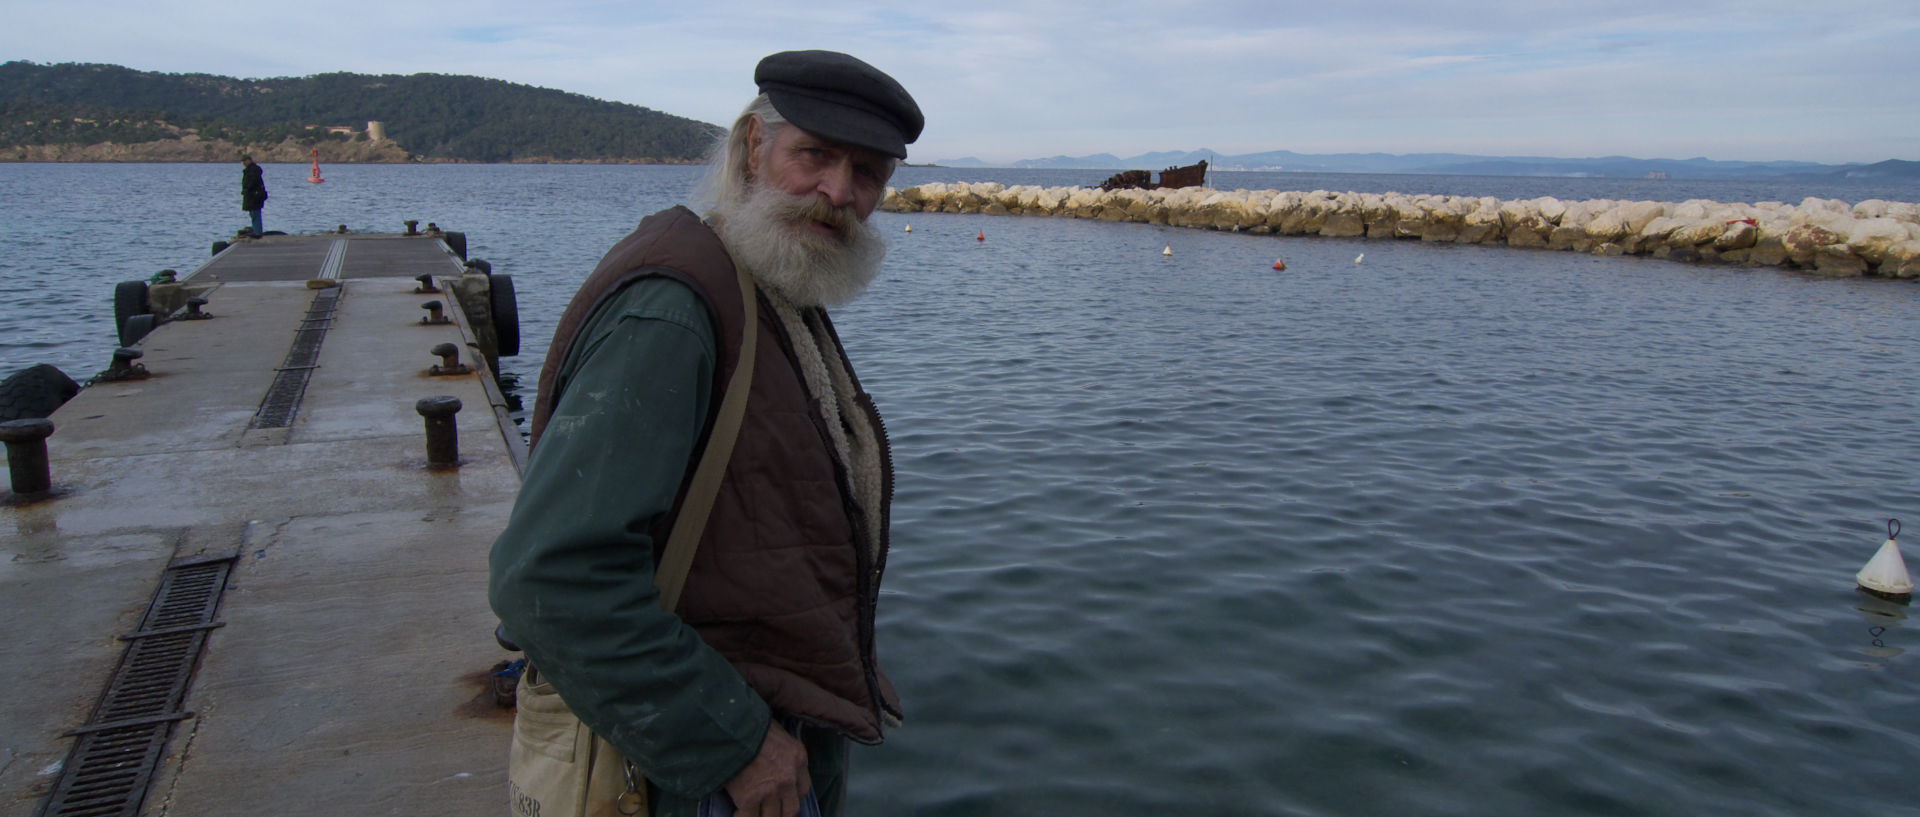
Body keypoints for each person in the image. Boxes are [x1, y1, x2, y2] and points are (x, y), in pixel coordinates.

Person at [489, 50, 923, 817]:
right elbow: (551, 574)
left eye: (868, 173)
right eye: (815, 155)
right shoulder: (673, 310)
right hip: (700, 770)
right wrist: (735, 743)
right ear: (753, 147)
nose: (839, 193)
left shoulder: (766, 282)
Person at [239, 155, 268, 236]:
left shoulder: (253, 170)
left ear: (249, 160)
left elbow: (252, 182)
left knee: (255, 214)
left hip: (255, 196)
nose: (244, 163)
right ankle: (256, 231)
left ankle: (257, 232)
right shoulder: (251, 170)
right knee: (253, 214)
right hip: (252, 196)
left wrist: (247, 189)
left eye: (245, 161)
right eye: (243, 161)